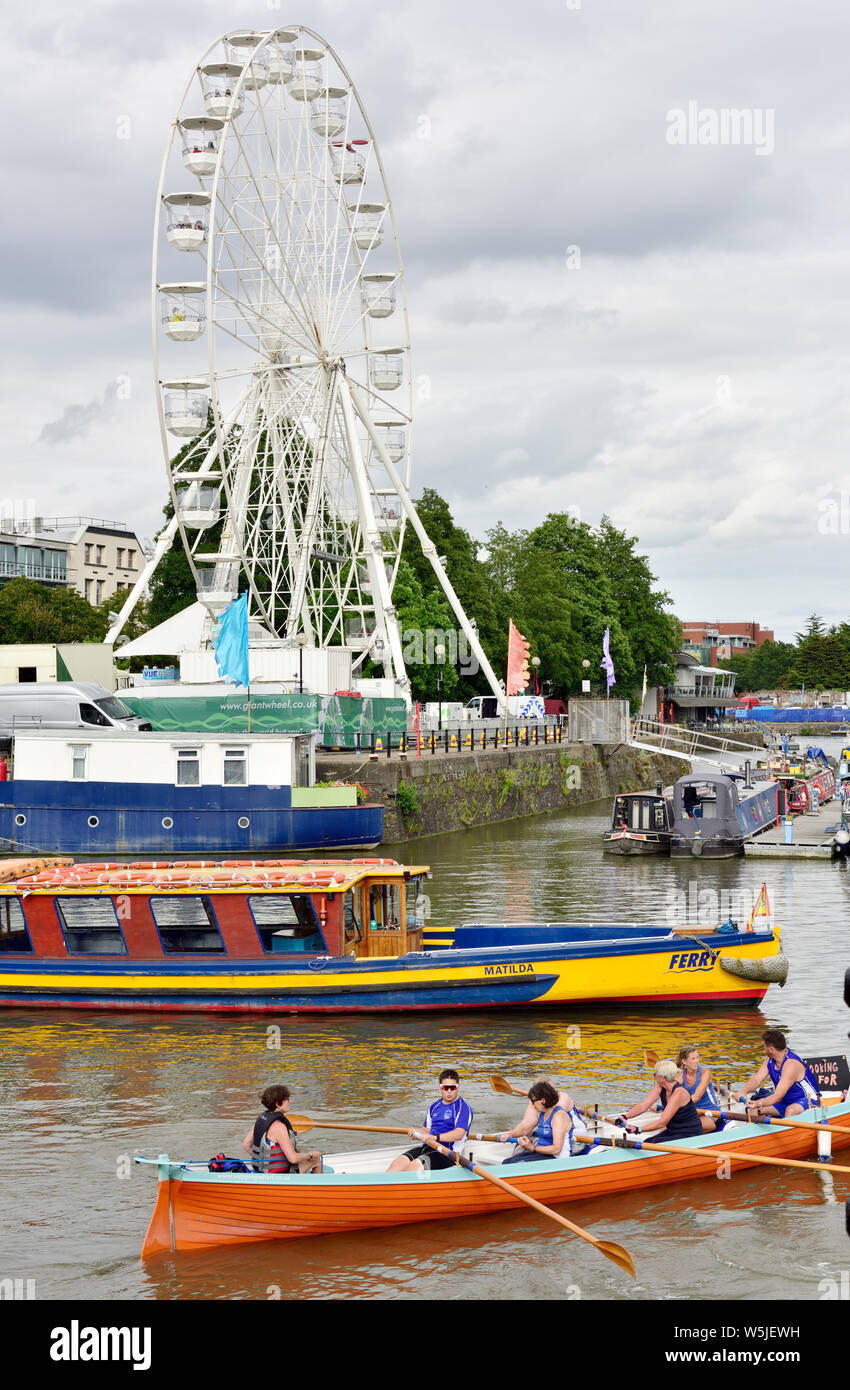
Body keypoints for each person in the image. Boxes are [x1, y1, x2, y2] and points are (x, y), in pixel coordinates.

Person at [386, 1069, 472, 1172]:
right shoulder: (434, 1106)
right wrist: (415, 1133)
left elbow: (459, 1134)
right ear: (439, 1087)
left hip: (449, 1155)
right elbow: (426, 1132)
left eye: (452, 1088)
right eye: (445, 1088)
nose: (449, 1091)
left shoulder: (463, 1107)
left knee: (416, 1165)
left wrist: (435, 1137)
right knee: (398, 1163)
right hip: (428, 1148)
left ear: (458, 1087)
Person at [733, 1030, 820, 1118]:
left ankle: (787, 1131)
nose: (763, 1048)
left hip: (808, 1100)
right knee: (753, 1110)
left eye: (764, 1046)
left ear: (771, 1049)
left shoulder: (791, 1064)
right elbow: (757, 1079)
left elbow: (778, 1096)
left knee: (790, 1111)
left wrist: (758, 1103)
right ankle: (762, 1131)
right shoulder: (769, 1059)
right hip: (785, 1100)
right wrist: (743, 1092)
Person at [498, 1074, 589, 1156]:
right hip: (549, 1135)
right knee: (516, 1155)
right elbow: (526, 1125)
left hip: (574, 1137)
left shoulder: (562, 1098)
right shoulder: (535, 1103)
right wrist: (511, 1134)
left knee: (532, 1147)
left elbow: (552, 1121)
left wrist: (531, 1134)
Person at [242, 1084, 322, 1174]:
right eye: (287, 1099)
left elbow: (246, 1145)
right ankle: (316, 1187)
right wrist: (311, 1155)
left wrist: (263, 1161)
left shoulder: (261, 1119)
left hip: (260, 1170)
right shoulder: (279, 1127)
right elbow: (293, 1159)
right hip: (279, 1175)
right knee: (316, 1160)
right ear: (278, 1104)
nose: (290, 1101)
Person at [618, 1059, 704, 1143]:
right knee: (647, 1142)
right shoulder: (660, 1088)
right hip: (673, 1131)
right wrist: (625, 1117)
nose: (654, 1075)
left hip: (690, 1134)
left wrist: (639, 1129)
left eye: (655, 1074)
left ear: (663, 1077)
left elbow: (662, 1122)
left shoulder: (679, 1092)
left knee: (651, 1145)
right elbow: (643, 1106)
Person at [499, 1080, 572, 1164]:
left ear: (543, 1100)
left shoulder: (558, 1116)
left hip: (557, 1158)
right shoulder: (542, 1113)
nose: (532, 1105)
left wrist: (532, 1147)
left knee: (517, 1163)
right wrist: (510, 1134)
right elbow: (524, 1128)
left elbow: (556, 1149)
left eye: (533, 1101)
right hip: (542, 1154)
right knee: (506, 1162)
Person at [677, 1045, 723, 1133]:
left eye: (697, 1057)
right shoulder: (679, 1076)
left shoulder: (705, 1073)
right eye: (693, 1058)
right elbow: (673, 1095)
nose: (697, 1061)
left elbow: (696, 1097)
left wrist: (675, 1105)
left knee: (680, 1128)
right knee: (665, 1128)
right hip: (693, 1114)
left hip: (712, 1114)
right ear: (684, 1061)